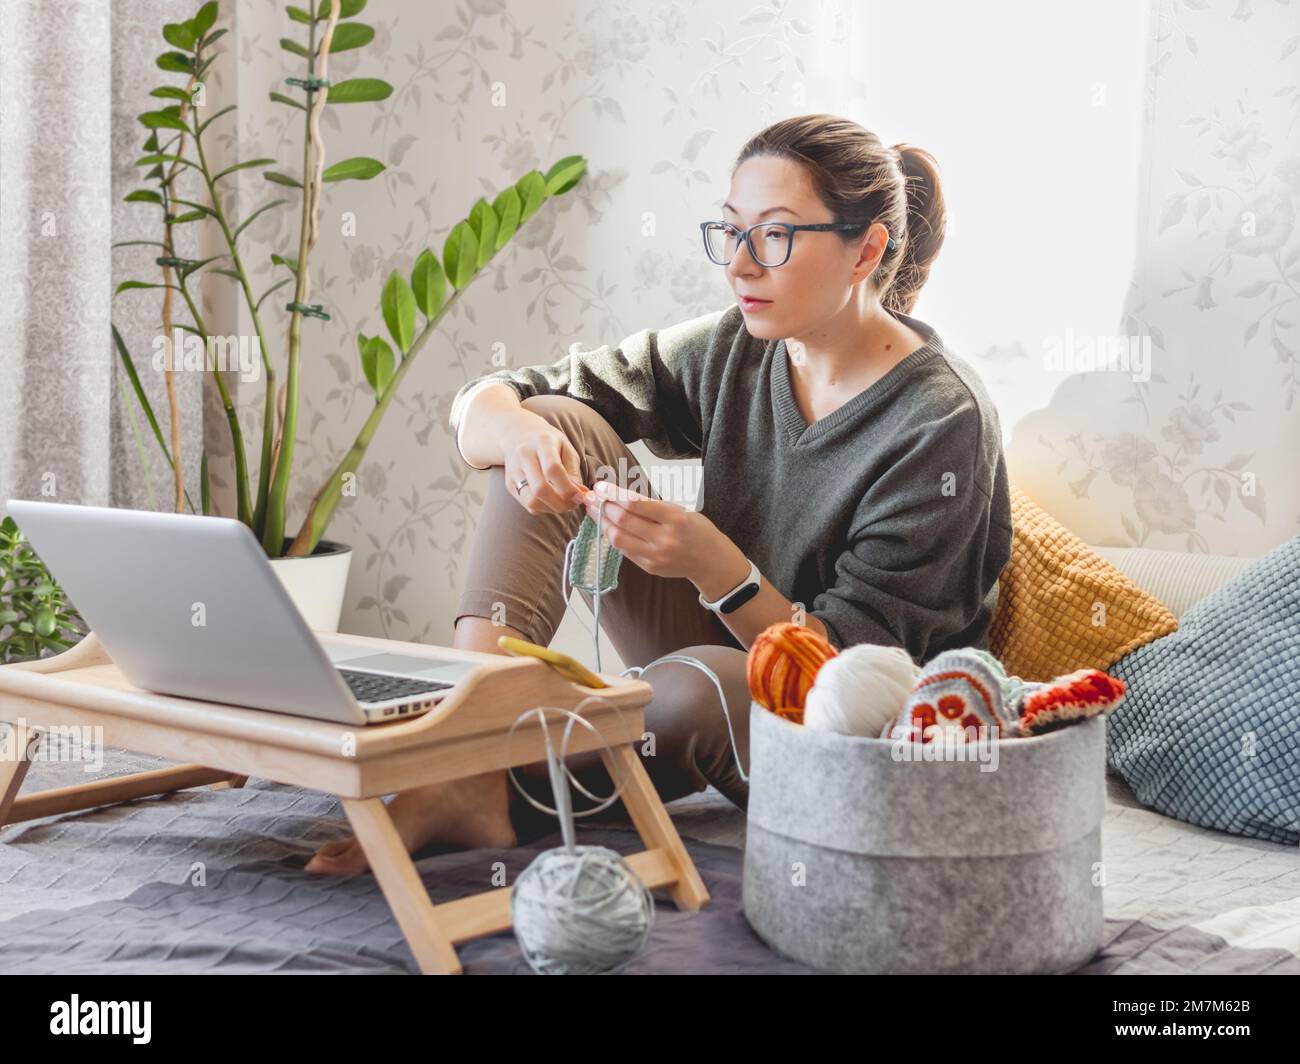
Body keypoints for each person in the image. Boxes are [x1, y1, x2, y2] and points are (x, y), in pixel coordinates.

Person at [306, 113, 1012, 875]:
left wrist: (720, 571)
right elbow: (491, 404)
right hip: (722, 649)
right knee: (551, 421)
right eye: (729, 232)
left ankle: (489, 791)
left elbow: (852, 678)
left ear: (865, 249)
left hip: (846, 732)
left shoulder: (941, 423)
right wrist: (513, 431)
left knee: (686, 694)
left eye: (774, 237)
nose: (739, 267)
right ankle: (460, 757)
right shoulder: (736, 347)